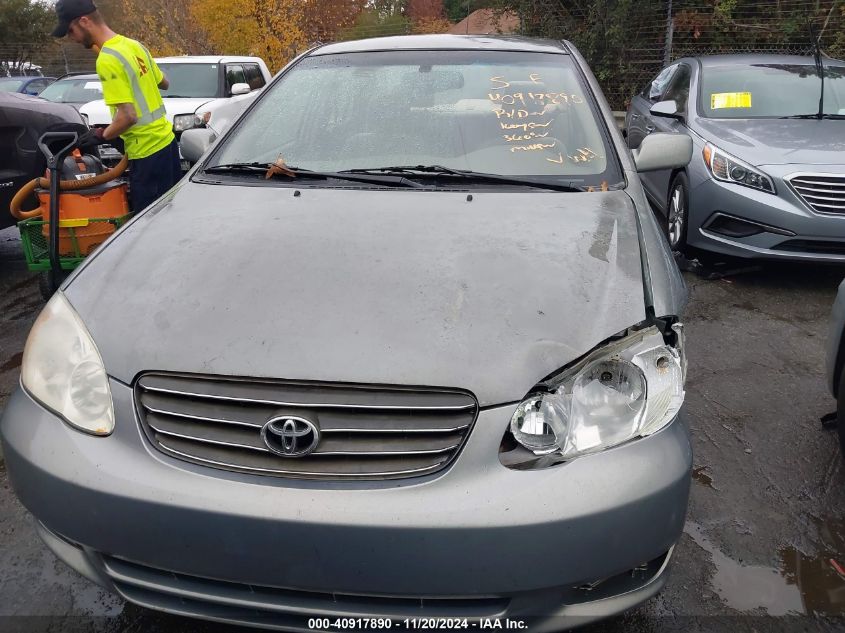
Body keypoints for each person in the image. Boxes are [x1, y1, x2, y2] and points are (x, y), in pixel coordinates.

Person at [52, 0, 181, 213]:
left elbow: (128, 116)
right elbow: (163, 82)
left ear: (84, 21)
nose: (71, 38)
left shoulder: (107, 59)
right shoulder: (134, 46)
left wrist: (102, 134)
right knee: (170, 215)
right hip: (167, 145)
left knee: (147, 224)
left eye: (70, 30)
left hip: (147, 153)